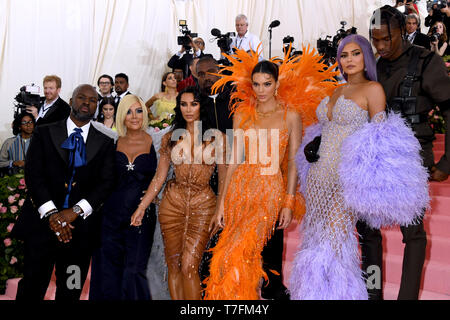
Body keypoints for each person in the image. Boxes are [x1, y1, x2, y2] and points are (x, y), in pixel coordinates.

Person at [289, 34, 429, 300]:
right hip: (318, 178)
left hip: (346, 179)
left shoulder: (373, 89)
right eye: (344, 55)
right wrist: (315, 140)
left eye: (355, 53)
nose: (349, 60)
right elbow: (328, 128)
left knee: (335, 242)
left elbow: (379, 138)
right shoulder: (334, 90)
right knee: (315, 240)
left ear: (366, 56)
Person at [362, 5, 450, 300]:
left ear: (403, 30)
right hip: (375, 159)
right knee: (369, 231)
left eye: (387, 38)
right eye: (376, 39)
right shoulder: (375, 64)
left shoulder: (426, 62)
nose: (382, 46)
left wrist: (447, 161)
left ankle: (407, 296)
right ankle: (372, 292)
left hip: (412, 158)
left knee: (412, 233)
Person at [204, 55, 304, 299]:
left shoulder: (291, 116)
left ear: (277, 84)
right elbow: (233, 162)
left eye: (267, 84)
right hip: (239, 191)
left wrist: (288, 202)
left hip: (269, 193)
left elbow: (293, 163)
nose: (261, 90)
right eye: (256, 84)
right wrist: (221, 205)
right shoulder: (242, 115)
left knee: (243, 254)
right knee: (226, 258)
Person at [11, 84, 116, 300]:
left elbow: (105, 183)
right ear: (71, 101)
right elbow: (34, 175)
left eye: (93, 100)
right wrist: (52, 214)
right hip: (41, 228)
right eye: (81, 97)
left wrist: (75, 211)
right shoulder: (44, 132)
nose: (87, 103)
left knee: (71, 288)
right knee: (32, 285)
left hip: (79, 235)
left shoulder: (105, 142)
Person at [131, 86, 227, 300]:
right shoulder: (170, 138)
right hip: (172, 204)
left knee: (190, 266)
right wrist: (142, 206)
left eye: (194, 103)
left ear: (201, 106)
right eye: (183, 104)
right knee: (173, 264)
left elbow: (224, 178)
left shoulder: (217, 137)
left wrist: (220, 209)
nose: (188, 109)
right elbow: (159, 177)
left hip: (203, 205)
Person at [89, 95, 157, 300]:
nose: (134, 116)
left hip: (141, 215)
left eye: (138, 111)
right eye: (128, 111)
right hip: (111, 214)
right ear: (121, 115)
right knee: (109, 268)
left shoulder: (157, 141)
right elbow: (103, 177)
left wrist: (155, 195)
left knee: (134, 269)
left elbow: (165, 175)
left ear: (144, 113)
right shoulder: (112, 141)